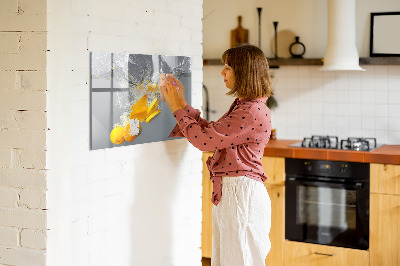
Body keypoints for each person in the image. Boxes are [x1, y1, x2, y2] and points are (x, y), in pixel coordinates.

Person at [161, 44, 273, 266]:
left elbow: (204, 141)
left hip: (241, 195)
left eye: (228, 67)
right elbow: (212, 133)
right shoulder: (246, 106)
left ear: (244, 72)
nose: (222, 72)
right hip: (236, 193)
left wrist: (176, 108)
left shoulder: (250, 111)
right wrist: (182, 104)